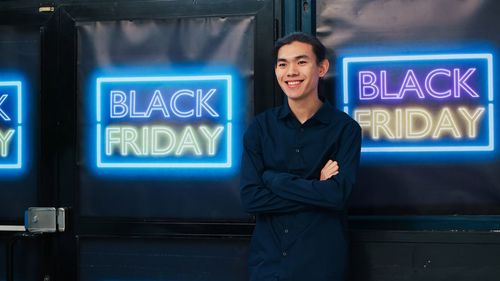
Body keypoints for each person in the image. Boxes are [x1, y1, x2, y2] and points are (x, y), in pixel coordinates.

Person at [240, 32, 362, 281]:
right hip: (268, 266)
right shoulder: (260, 128)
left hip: (322, 266)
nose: (291, 71)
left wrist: (274, 180)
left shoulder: (345, 129)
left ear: (322, 68)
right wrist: (316, 188)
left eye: (301, 62)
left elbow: (338, 195)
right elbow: (252, 198)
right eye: (283, 64)